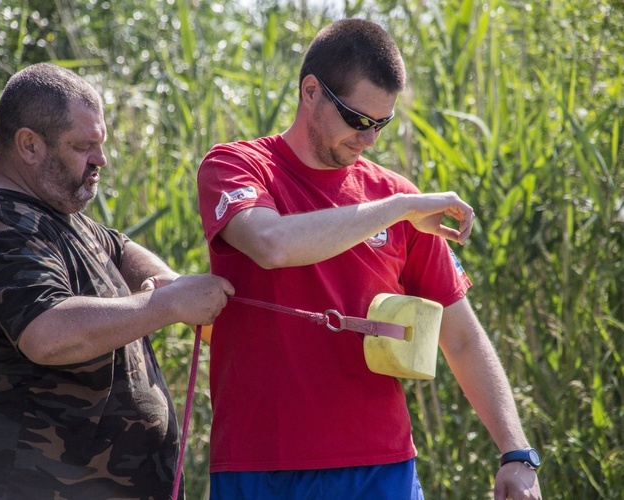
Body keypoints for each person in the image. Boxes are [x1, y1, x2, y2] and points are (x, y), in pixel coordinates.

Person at [197, 19, 542, 500]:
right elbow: (270, 242)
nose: (370, 140)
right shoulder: (237, 166)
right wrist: (400, 207)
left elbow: (460, 336)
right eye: (359, 119)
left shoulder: (399, 198)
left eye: (382, 123)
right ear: (311, 92)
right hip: (260, 465)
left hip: (381, 469)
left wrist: (516, 452)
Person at [0, 62, 234, 499]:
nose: (101, 160)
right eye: (84, 146)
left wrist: (174, 285)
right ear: (29, 145)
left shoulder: (56, 216)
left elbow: (119, 253)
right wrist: (168, 305)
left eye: (100, 144)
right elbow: (48, 332)